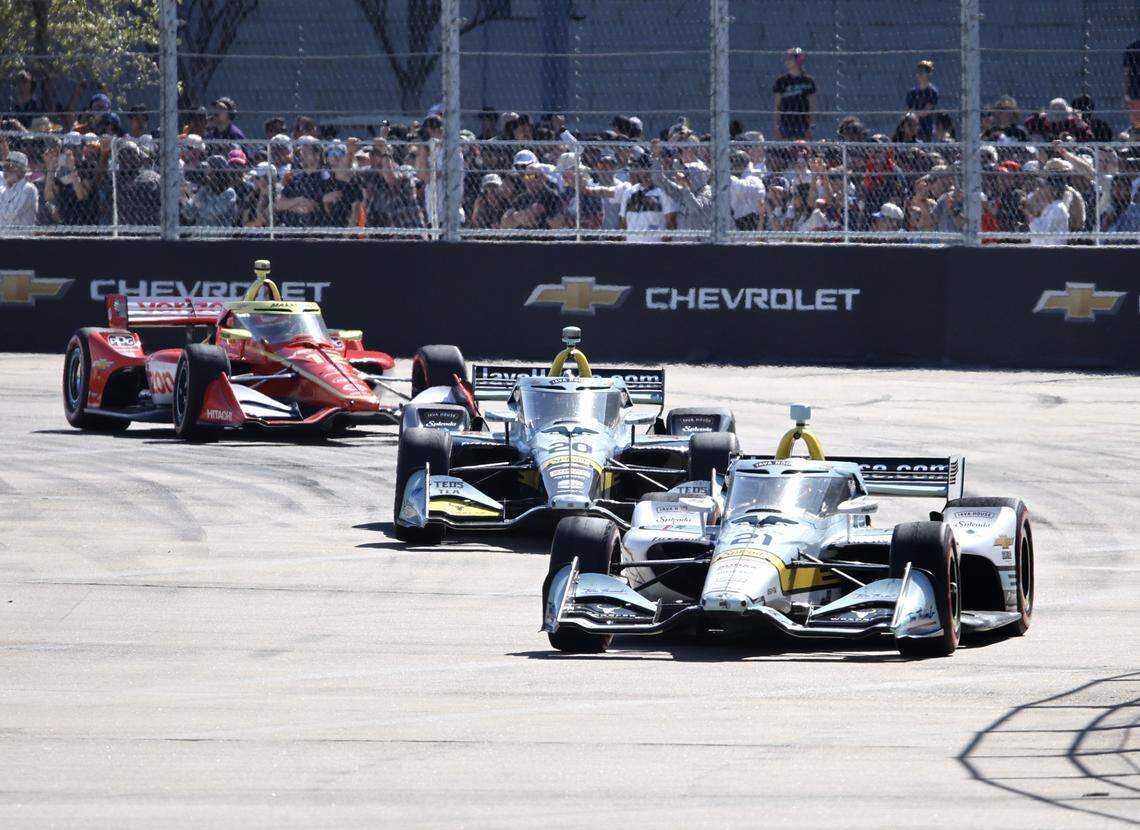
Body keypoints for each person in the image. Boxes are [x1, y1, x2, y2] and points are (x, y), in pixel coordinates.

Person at [618, 152, 676, 242]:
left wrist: (664, 243)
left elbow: (670, 221)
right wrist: (624, 242)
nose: (644, 171)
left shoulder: (662, 192)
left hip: (655, 244)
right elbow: (623, 222)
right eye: (641, 167)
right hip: (632, 243)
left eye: (647, 167)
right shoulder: (629, 193)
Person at [772, 47, 816, 140]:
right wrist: (776, 126)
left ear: (798, 60)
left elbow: (812, 105)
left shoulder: (808, 81)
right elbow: (777, 105)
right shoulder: (781, 81)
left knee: (802, 147)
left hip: (802, 123)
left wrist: (811, 126)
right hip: (785, 123)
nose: (786, 61)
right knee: (786, 147)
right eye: (786, 58)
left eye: (789, 58)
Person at [114, 141, 160, 227]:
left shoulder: (151, 177)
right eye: (123, 154)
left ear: (139, 158)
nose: (127, 157)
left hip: (149, 225)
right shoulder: (114, 180)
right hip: (125, 227)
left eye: (130, 153)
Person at [0, 151, 38, 229]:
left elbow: (10, 214)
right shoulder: (2, 189)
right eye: (4, 167)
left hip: (20, 235)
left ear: (20, 170)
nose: (5, 170)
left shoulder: (29, 188)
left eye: (9, 167)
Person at [730, 149, 765, 230]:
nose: (734, 167)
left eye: (737, 164)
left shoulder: (753, 178)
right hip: (739, 220)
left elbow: (741, 188)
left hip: (751, 218)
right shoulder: (740, 178)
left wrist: (727, 176)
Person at [906, 60, 939, 141]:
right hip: (913, 127)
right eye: (918, 72)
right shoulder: (913, 92)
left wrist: (913, 115)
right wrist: (909, 118)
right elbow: (908, 110)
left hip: (926, 127)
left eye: (921, 73)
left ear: (928, 74)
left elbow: (926, 111)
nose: (918, 75)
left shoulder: (932, 92)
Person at [1124, 38, 1140, 131]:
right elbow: (1127, 73)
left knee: (1137, 123)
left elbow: (1127, 73)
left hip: (1135, 91)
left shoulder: (1132, 48)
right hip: (1135, 92)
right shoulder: (1132, 48)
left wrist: (1126, 93)